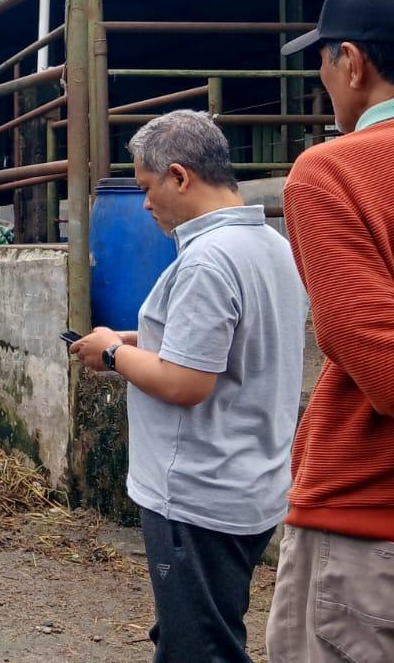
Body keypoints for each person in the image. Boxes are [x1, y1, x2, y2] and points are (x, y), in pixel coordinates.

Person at [70, 109, 305, 663]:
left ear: (180, 176)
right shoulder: (270, 244)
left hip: (199, 491)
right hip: (251, 477)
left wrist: (112, 352)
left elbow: (185, 381)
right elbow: (223, 343)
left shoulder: (208, 259)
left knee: (199, 649)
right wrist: (132, 338)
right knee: (195, 632)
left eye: (148, 188)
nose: (145, 204)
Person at [266, 0, 394, 663]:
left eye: (322, 59)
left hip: (369, 516)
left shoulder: (331, 170)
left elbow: (371, 347)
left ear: (352, 62)